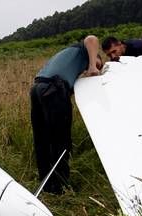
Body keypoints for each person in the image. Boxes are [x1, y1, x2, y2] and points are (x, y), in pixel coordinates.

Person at [30, 35, 102, 194]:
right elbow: (91, 39)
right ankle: (60, 187)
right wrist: (93, 65)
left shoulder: (68, 57)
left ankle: (47, 185)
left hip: (37, 88)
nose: (95, 70)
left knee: (42, 140)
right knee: (60, 141)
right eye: (99, 64)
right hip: (54, 88)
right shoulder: (83, 50)